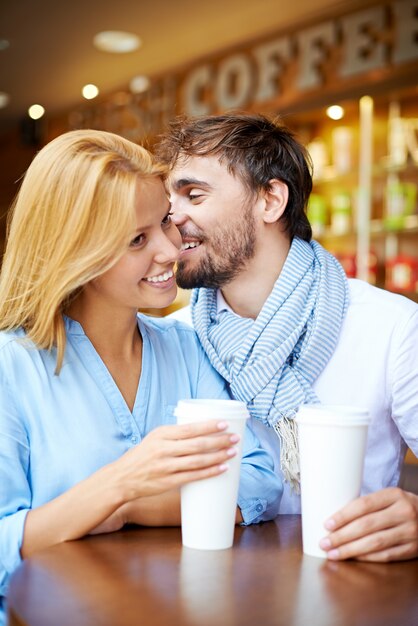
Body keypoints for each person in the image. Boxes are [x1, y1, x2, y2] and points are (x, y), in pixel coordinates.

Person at [0, 129, 282, 620]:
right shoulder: (13, 367)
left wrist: (130, 505)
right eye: (137, 239)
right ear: (75, 255)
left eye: (165, 224)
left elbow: (256, 486)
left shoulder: (189, 349)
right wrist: (119, 481)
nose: (172, 251)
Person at [156, 112, 418, 562]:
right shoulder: (174, 339)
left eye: (193, 195)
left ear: (271, 201)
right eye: (168, 201)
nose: (172, 217)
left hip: (352, 590)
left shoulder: (391, 327)